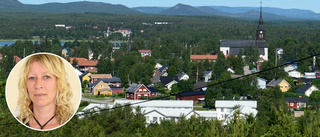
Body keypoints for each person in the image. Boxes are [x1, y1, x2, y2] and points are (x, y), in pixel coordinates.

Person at [16, 53, 74, 130]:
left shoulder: (74, 125)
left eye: (46, 77)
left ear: (59, 82)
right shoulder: (15, 124)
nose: (38, 85)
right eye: (32, 78)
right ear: (25, 85)